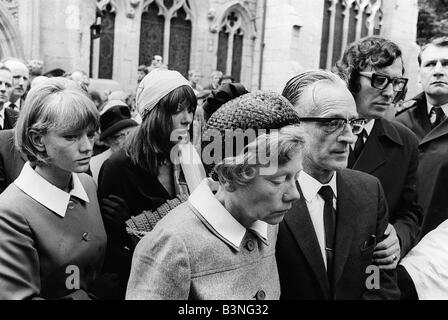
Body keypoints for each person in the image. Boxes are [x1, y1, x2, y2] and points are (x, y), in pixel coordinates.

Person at [126, 112, 305, 300]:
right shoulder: (172, 243)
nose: (294, 194)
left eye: (296, 177)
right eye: (277, 181)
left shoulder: (269, 222)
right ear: (230, 177)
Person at [277, 70, 400, 300]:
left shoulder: (369, 191)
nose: (349, 137)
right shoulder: (268, 200)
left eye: (353, 123)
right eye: (332, 123)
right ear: (292, 124)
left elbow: (375, 277)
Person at [97, 69, 205, 299]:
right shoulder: (119, 166)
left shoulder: (188, 156)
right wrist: (131, 232)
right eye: (178, 110)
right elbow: (109, 249)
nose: (187, 118)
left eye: (190, 109)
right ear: (154, 113)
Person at [0, 77, 106, 299]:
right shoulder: (10, 212)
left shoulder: (86, 184)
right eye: (71, 137)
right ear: (38, 140)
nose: (87, 147)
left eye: (90, 134)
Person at [334, 36, 422, 262]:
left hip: (370, 270)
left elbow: (410, 212)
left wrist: (399, 239)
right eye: (380, 80)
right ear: (351, 79)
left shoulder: (406, 142)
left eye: (397, 82)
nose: (390, 92)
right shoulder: (318, 133)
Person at [396, 36, 448, 237]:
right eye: (429, 64)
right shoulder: (398, 119)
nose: (437, 70)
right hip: (400, 241)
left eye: (445, 64)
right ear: (419, 75)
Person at [90, 100, 138, 184]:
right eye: (119, 136)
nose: (127, 139)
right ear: (107, 142)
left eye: (129, 133)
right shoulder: (95, 166)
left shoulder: (145, 159)